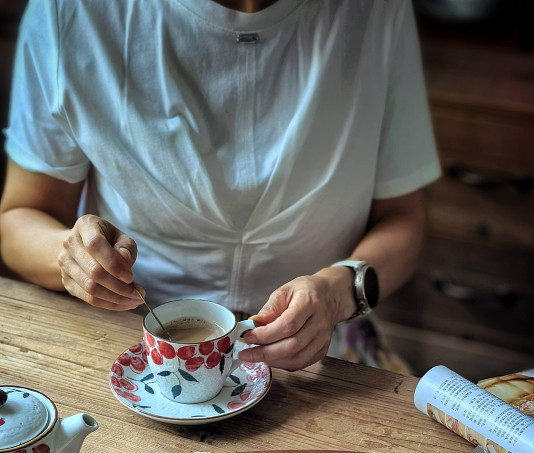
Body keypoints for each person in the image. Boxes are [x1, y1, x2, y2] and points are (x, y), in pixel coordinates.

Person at [0, 0, 440, 372]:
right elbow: (17, 220)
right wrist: (71, 255)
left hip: (325, 344)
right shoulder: (73, 13)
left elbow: (404, 219)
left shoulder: (376, 12)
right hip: (132, 341)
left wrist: (338, 291)